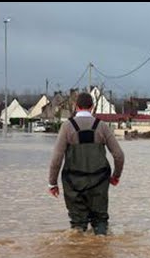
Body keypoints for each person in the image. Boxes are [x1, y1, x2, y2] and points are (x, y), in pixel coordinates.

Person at [48, 92, 124, 235]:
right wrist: (115, 176)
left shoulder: (67, 127)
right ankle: (101, 251)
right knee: (100, 221)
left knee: (77, 225)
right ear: (92, 107)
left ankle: (79, 254)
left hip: (73, 184)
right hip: (99, 182)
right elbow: (119, 155)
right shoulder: (102, 127)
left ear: (76, 106)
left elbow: (56, 159)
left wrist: (52, 183)